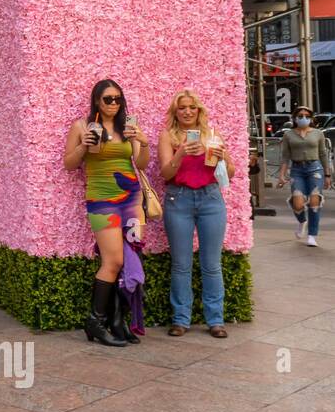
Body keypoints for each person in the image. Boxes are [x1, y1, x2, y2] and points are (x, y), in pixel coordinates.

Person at [63, 80, 150, 347]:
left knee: (128, 259)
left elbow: (142, 163)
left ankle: (116, 322)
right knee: (112, 260)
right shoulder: (82, 126)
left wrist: (142, 141)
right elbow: (69, 164)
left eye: (117, 99)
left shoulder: (128, 128)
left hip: (132, 199)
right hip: (102, 200)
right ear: (97, 101)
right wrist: (83, 147)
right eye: (107, 99)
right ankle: (95, 322)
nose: (113, 104)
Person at [158, 89, 234, 338]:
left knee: (211, 264)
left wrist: (223, 157)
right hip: (178, 199)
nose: (188, 111)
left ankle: (216, 320)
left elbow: (230, 173)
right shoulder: (168, 136)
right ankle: (181, 319)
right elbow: (166, 174)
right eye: (182, 107)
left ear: (199, 110)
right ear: (176, 112)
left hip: (211, 199)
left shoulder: (211, 135)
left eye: (192, 107)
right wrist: (181, 153)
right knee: (181, 264)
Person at [278, 104, 331, 247]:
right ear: (295, 118)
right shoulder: (289, 134)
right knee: (298, 203)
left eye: (307, 116)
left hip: (315, 169)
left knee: (314, 202)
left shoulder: (318, 133)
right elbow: (285, 156)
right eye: (300, 116)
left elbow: (323, 154)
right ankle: (302, 221)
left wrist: (327, 174)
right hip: (297, 170)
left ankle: (312, 235)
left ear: (311, 118)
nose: (303, 118)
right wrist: (281, 175)